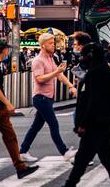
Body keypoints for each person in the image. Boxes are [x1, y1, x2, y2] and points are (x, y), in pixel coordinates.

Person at [0, 39, 39, 179]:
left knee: (10, 136)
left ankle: (20, 167)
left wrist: (4, 105)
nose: (8, 51)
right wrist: (8, 103)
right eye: (7, 49)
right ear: (3, 49)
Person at [63, 44, 110, 187]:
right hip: (104, 122)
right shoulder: (105, 72)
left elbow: (92, 102)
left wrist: (82, 124)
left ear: (90, 56)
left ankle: (69, 184)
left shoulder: (94, 75)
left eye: (84, 56)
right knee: (107, 156)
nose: (82, 59)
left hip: (93, 124)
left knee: (82, 159)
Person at [20, 33, 77, 162]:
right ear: (43, 45)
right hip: (41, 98)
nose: (53, 46)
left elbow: (59, 75)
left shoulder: (50, 58)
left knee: (36, 126)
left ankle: (23, 151)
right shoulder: (38, 60)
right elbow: (40, 79)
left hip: (48, 98)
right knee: (53, 124)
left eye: (53, 43)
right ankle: (64, 152)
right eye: (50, 43)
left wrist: (70, 86)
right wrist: (56, 72)